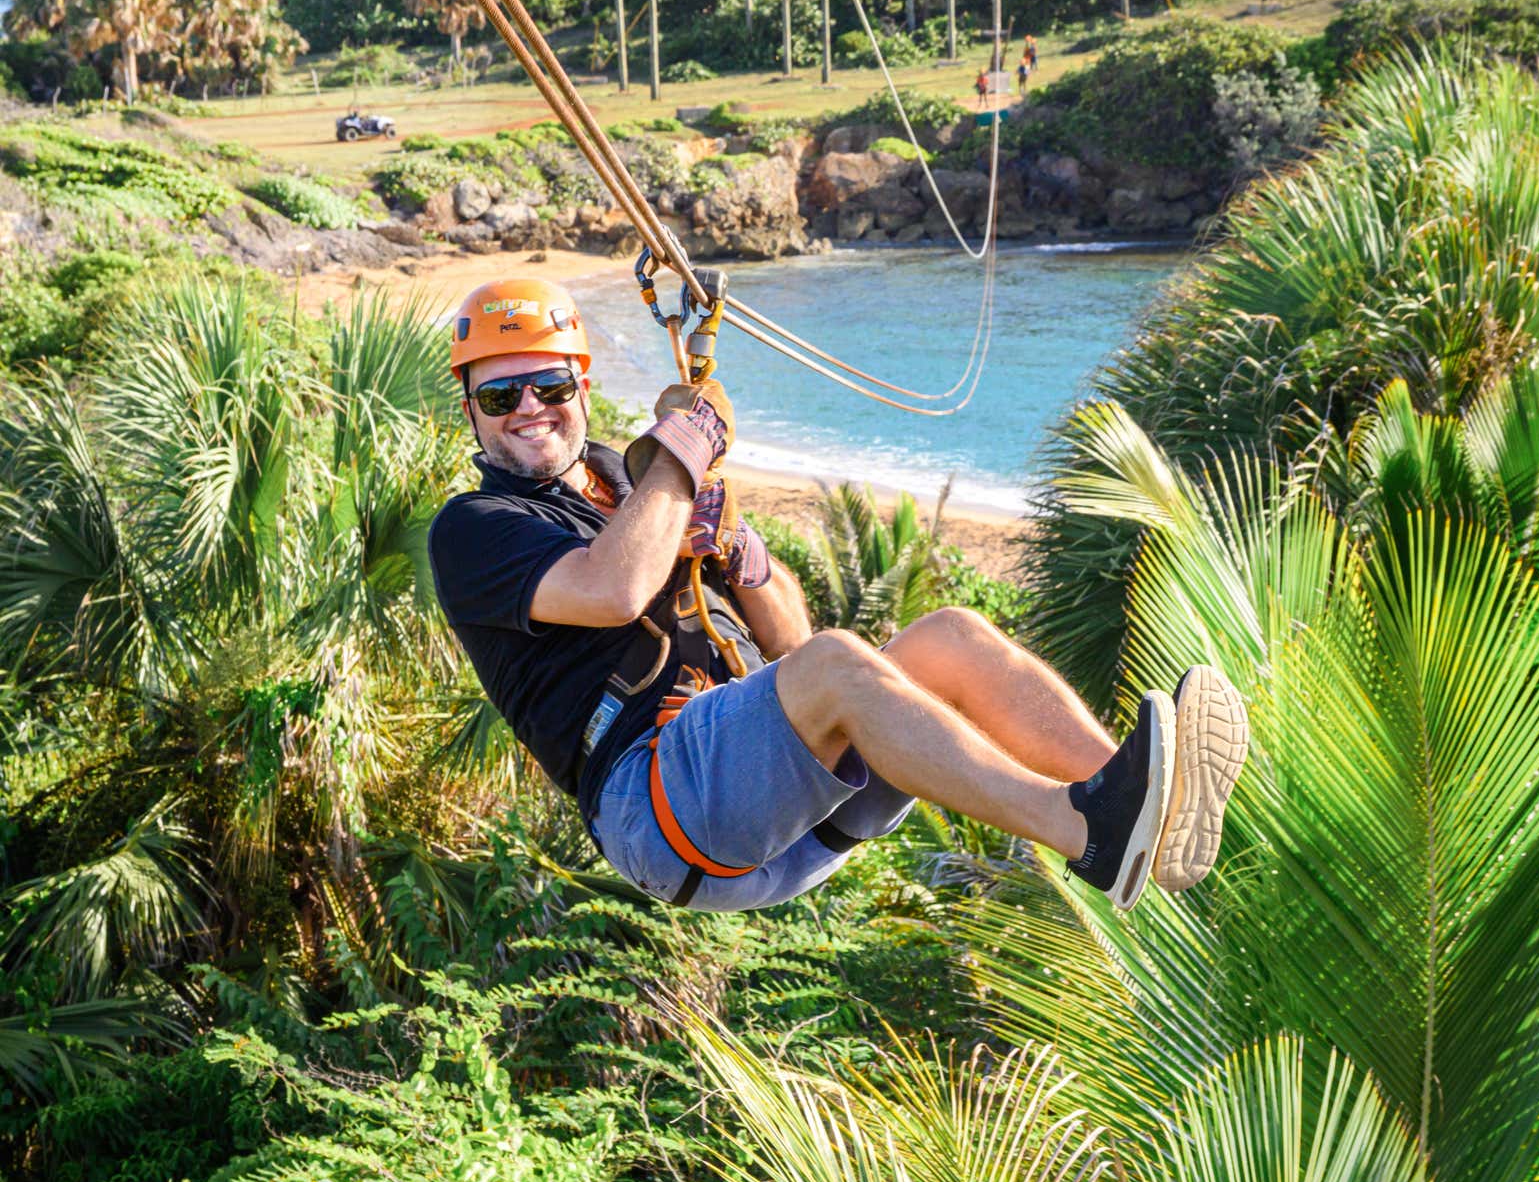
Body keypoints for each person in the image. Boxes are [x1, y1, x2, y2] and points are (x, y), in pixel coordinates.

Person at [428, 277, 1249, 914]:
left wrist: (738, 550)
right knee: (836, 667)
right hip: (658, 802)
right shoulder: (477, 526)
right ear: (472, 411)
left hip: (769, 800)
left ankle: (1139, 807)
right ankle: (1087, 834)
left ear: (578, 386)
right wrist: (683, 449)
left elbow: (788, 638)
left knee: (949, 639)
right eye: (503, 397)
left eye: (548, 387)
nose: (530, 410)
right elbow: (613, 590)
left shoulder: (627, 486)